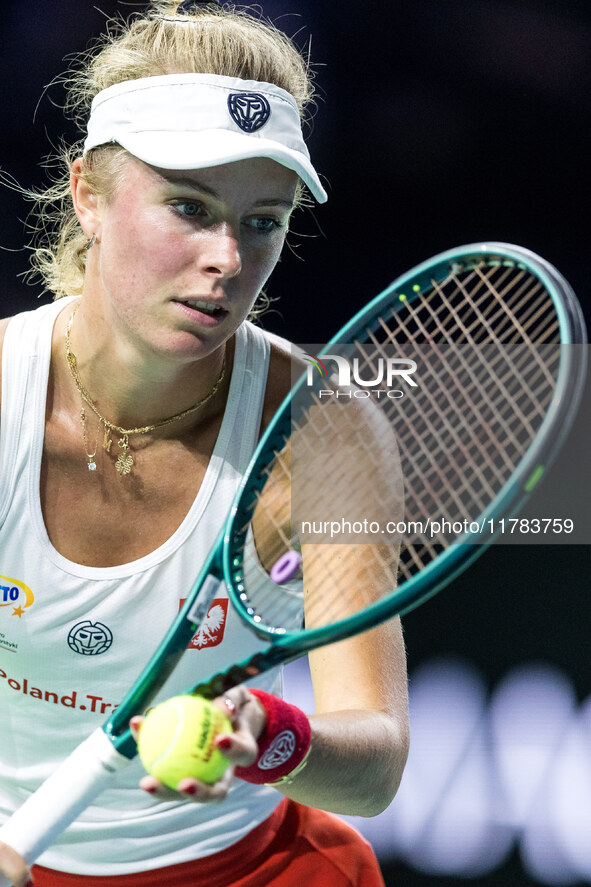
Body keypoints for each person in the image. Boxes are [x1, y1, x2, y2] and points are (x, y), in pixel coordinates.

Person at [0, 1, 409, 885]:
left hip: (249, 868)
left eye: (263, 219)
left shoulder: (322, 432)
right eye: (188, 206)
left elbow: (374, 765)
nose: (227, 256)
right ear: (88, 195)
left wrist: (270, 736)